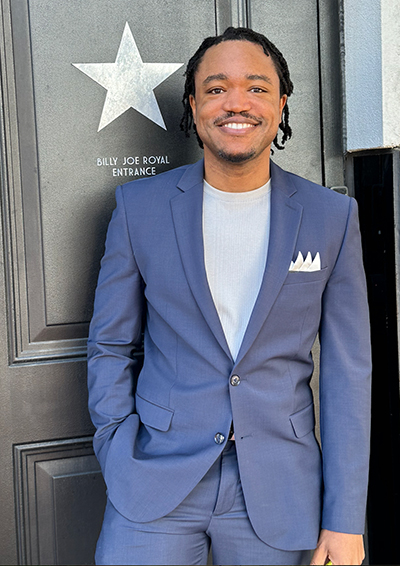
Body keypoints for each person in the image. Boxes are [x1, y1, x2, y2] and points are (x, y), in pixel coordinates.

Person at [87, 26, 371, 566]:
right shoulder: (138, 209)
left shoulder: (332, 218)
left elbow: (348, 374)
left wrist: (345, 519)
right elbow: (109, 345)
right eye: (216, 89)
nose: (236, 103)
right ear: (193, 105)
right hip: (153, 482)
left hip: (280, 490)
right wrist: (116, 449)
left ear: (281, 102)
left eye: (257, 87)